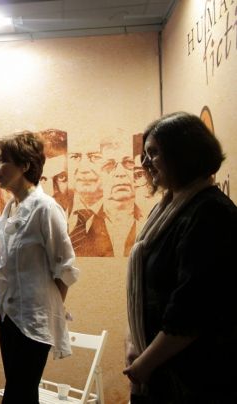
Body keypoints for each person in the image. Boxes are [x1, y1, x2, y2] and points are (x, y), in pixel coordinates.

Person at [124, 112, 237, 403]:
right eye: (144, 154)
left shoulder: (211, 213)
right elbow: (143, 289)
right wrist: (132, 341)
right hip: (160, 370)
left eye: (154, 153)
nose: (145, 163)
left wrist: (145, 364)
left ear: (183, 154)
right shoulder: (167, 208)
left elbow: (193, 307)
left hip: (195, 377)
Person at [0, 131, 79, 403]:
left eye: (2, 161)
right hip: (8, 315)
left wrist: (49, 312)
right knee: (21, 394)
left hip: (34, 318)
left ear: (25, 165)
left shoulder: (45, 208)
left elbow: (64, 267)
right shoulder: (10, 208)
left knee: (19, 393)